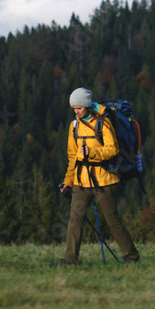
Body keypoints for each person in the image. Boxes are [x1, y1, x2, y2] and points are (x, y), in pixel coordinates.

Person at [54, 87, 140, 266]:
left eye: (78, 108)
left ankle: (131, 256)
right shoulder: (74, 126)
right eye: (73, 108)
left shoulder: (103, 122)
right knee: (74, 218)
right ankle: (70, 260)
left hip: (105, 180)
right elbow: (72, 157)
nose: (76, 111)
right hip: (81, 180)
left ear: (86, 106)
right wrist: (68, 182)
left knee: (112, 219)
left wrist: (91, 152)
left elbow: (113, 149)